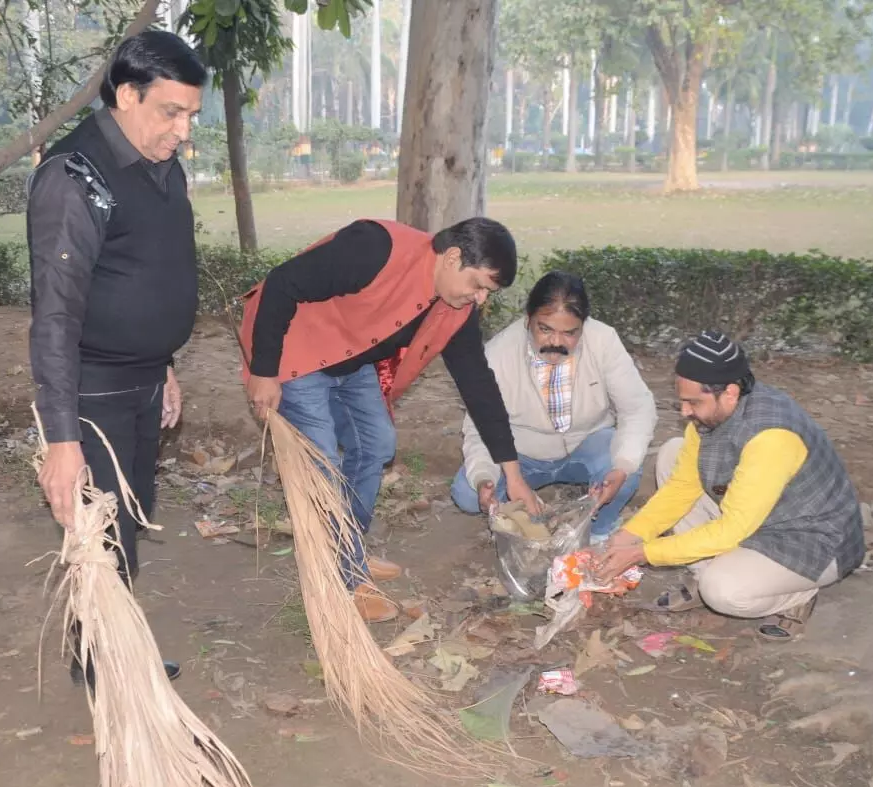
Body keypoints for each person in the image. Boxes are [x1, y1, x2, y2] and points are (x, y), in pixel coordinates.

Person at [239, 217, 541, 623]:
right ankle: (341, 581)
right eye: (479, 285)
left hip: (351, 361)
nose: (480, 299)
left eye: (488, 292)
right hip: (295, 354)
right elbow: (281, 283)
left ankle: (349, 552)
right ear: (453, 257)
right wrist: (263, 370)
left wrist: (513, 472)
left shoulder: (455, 311)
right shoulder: (375, 248)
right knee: (322, 465)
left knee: (377, 445)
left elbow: (479, 388)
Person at [27, 31, 207, 686]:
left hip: (141, 380)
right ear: (127, 95)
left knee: (127, 523)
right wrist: (61, 440)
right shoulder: (77, 177)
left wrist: (164, 364)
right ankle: (106, 666)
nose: (183, 130)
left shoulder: (162, 167)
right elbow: (54, 317)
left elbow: (147, 274)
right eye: (171, 112)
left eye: (191, 115)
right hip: (93, 388)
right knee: (101, 539)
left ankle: (103, 647)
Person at [596, 331, 865, 640]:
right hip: (760, 515)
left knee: (723, 590)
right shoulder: (714, 413)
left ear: (730, 393)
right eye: (683, 400)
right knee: (672, 453)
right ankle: (706, 571)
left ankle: (798, 596)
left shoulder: (771, 437)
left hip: (813, 539)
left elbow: (733, 529)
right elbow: (682, 487)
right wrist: (628, 537)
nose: (685, 411)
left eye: (693, 402)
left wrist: (641, 553)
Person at [451, 271, 657, 540]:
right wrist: (484, 477)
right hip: (518, 455)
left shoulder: (603, 341)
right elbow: (479, 427)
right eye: (545, 329)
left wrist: (622, 466)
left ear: (583, 326)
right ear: (528, 320)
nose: (556, 342)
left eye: (570, 333)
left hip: (587, 443)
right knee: (468, 494)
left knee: (626, 468)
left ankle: (597, 531)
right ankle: (514, 518)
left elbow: (637, 408)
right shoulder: (498, 353)